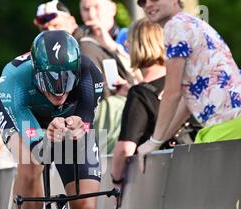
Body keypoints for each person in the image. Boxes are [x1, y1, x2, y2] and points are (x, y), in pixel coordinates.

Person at [0, 30, 103, 209]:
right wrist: (46, 136)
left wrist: (80, 124)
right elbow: (40, 150)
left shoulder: (91, 73)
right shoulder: (14, 79)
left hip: (68, 122)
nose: (59, 90)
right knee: (31, 165)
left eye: (67, 81)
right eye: (50, 82)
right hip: (26, 120)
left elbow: (85, 120)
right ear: (36, 72)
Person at [137, 0, 241, 172]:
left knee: (204, 193)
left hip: (226, 126)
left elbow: (172, 92)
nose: (147, 4)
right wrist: (158, 140)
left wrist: (153, 142)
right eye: (141, 1)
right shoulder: (193, 23)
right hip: (233, 123)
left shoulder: (175, 27)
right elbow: (187, 102)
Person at [73, 0, 141, 156]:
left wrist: (112, 47)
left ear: (112, 8)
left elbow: (149, 72)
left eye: (96, 7)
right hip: (100, 122)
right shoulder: (78, 41)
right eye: (85, 9)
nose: (91, 14)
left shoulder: (131, 35)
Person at [111, 19, 167, 191]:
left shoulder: (140, 94)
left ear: (138, 46)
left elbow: (125, 148)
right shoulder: (179, 80)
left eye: (129, 41)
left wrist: (115, 182)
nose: (126, 44)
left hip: (159, 179)